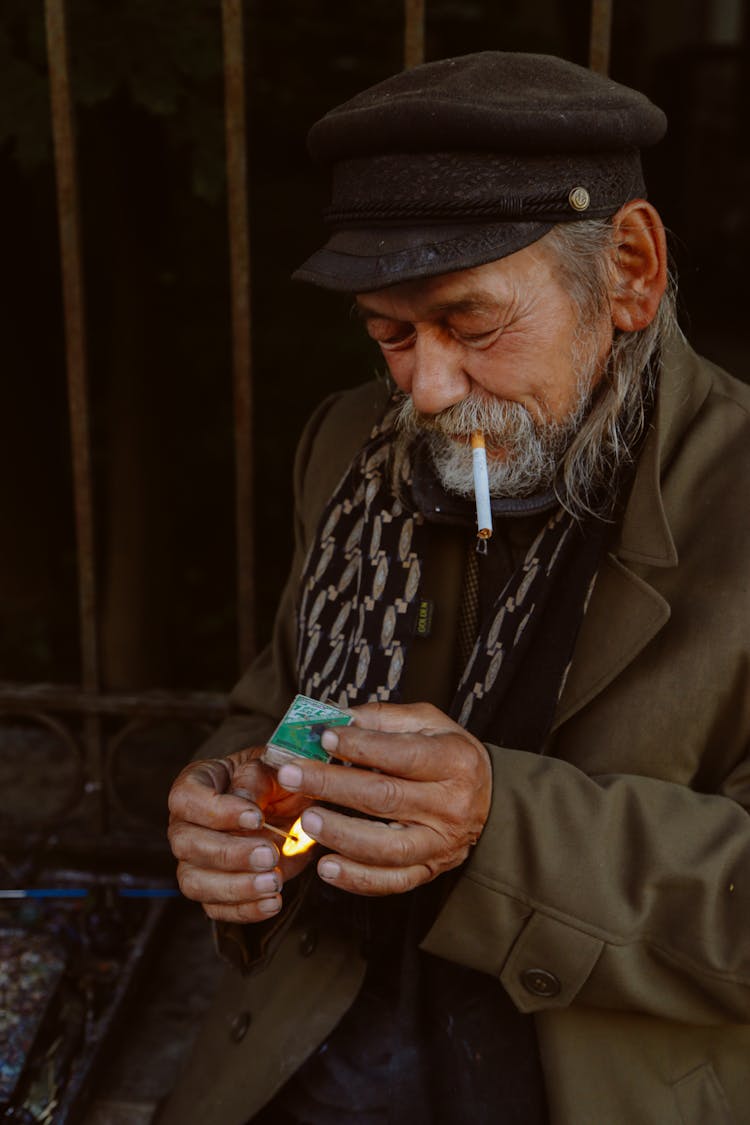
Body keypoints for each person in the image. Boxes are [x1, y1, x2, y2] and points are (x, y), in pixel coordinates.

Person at [160, 53, 750, 1125]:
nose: (427, 391)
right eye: (389, 332)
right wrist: (232, 800)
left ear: (629, 269)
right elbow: (282, 702)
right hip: (313, 1053)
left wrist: (500, 820)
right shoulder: (348, 441)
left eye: (473, 326)